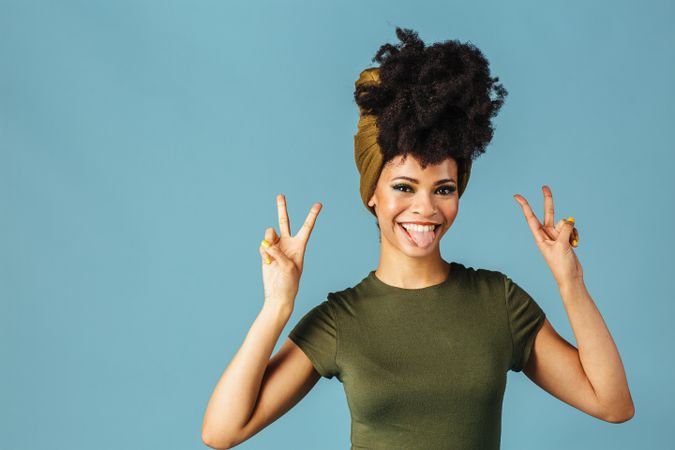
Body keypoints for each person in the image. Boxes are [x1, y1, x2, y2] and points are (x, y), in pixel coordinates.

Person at [201, 27, 634, 450]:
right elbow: (222, 432)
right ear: (372, 193)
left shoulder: (497, 301)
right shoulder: (340, 320)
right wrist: (277, 307)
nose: (426, 209)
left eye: (443, 189)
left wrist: (570, 281)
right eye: (404, 187)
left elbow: (612, 404)